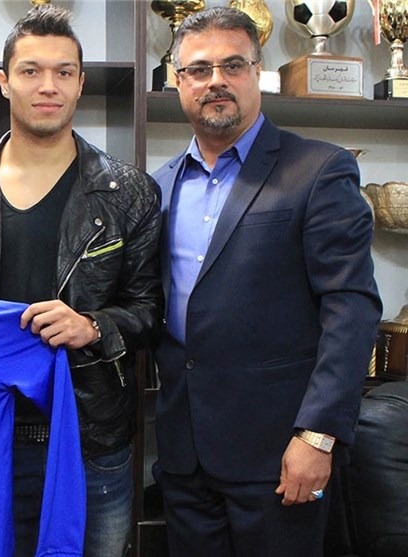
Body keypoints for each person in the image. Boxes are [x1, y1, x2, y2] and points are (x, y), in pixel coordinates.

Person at [0, 6, 163, 556]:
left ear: (81, 83)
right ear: (4, 81)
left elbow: (149, 310)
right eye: (31, 71)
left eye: (64, 72)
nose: (48, 86)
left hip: (91, 441)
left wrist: (92, 326)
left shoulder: (129, 192)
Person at [151, 7, 382, 557]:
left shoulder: (318, 170)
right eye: (199, 69)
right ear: (178, 81)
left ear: (257, 72)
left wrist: (318, 436)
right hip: (185, 457)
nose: (216, 81)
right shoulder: (158, 186)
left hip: (281, 455)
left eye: (232, 65)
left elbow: (351, 308)